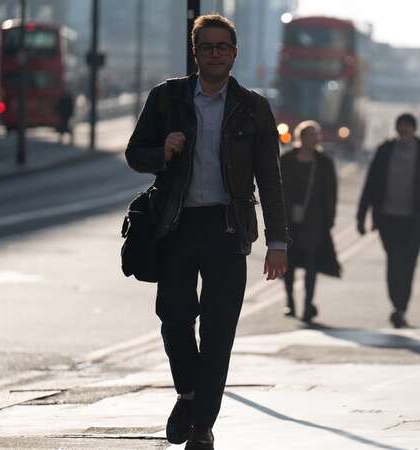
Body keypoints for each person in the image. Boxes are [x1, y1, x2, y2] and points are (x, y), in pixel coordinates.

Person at [124, 15, 288, 450]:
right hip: (175, 226)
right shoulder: (167, 98)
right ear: (194, 52)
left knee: (218, 331)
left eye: (222, 47)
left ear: (234, 53)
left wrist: (278, 241)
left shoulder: (253, 107)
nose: (214, 54)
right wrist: (162, 150)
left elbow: (269, 177)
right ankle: (189, 394)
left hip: (228, 228)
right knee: (174, 319)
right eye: (206, 47)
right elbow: (134, 154)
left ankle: (202, 426)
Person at [356, 113, 420, 328]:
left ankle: (401, 306)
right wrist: (362, 215)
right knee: (394, 262)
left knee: (409, 264)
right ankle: (396, 303)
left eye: (407, 127)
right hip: (388, 217)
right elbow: (371, 184)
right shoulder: (385, 150)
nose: (403, 130)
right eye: (400, 126)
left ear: (414, 129)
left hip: (415, 219)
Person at [280, 120, 340, 323]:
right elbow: (276, 189)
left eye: (316, 136)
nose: (313, 139)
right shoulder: (287, 159)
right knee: (287, 263)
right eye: (309, 135)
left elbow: (332, 192)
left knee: (311, 264)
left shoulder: (324, 162)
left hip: (314, 220)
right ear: (301, 137)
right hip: (288, 219)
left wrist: (329, 219)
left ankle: (307, 304)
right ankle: (290, 301)